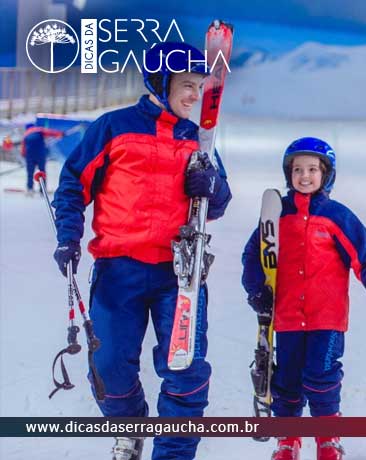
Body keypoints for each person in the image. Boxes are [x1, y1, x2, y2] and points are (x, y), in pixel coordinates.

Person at [51, 42, 232, 460]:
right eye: (187, 85)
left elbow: (219, 203)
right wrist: (68, 236)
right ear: (160, 82)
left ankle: (172, 454)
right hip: (119, 269)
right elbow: (73, 183)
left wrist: (211, 187)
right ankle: (129, 428)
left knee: (184, 371)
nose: (194, 95)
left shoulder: (200, 140)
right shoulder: (114, 127)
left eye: (200, 87)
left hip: (180, 275)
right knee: (109, 366)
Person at [241, 137, 366, 460]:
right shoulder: (278, 216)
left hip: (326, 318)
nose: (304, 176)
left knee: (322, 378)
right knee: (286, 381)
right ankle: (288, 440)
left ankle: (328, 440)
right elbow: (253, 255)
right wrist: (256, 289)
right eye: (297, 169)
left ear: (326, 174)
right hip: (286, 317)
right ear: (288, 174)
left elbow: (364, 259)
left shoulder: (337, 217)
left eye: (312, 169)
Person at [21, 122, 64, 194]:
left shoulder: (25, 134)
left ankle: (30, 189)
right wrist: (60, 134)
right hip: (40, 155)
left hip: (29, 156)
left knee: (30, 173)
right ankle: (42, 190)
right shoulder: (39, 130)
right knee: (42, 172)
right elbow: (50, 132)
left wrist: (24, 155)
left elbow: (23, 148)